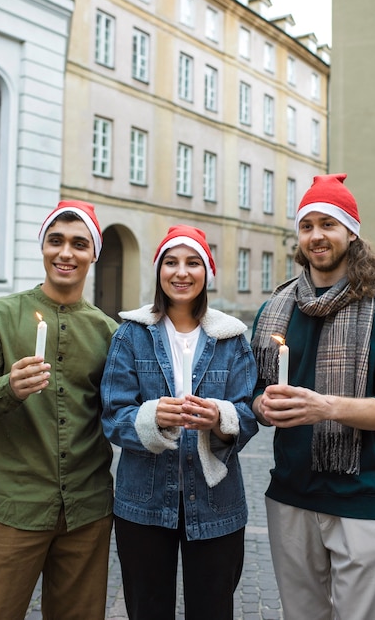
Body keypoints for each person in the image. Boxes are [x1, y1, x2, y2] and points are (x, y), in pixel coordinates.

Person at [251, 173, 375, 620]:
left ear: (351, 232)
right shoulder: (275, 307)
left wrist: (325, 406)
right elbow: (256, 394)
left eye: (328, 224)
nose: (317, 235)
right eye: (307, 225)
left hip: (361, 495)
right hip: (291, 493)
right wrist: (261, 406)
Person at [101, 224, 259, 620]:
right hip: (144, 503)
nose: (181, 272)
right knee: (148, 609)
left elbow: (247, 414)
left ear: (207, 272)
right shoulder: (131, 335)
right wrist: (150, 417)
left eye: (193, 262)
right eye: (171, 262)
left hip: (217, 504)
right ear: (159, 271)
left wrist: (219, 418)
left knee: (212, 610)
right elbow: (113, 415)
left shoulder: (231, 338)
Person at [0, 200, 118, 619]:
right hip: (13, 507)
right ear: (42, 247)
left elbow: (120, 413)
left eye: (79, 244)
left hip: (87, 511)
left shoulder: (110, 332)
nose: (66, 253)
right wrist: (8, 387)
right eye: (55, 241)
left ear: (93, 253)